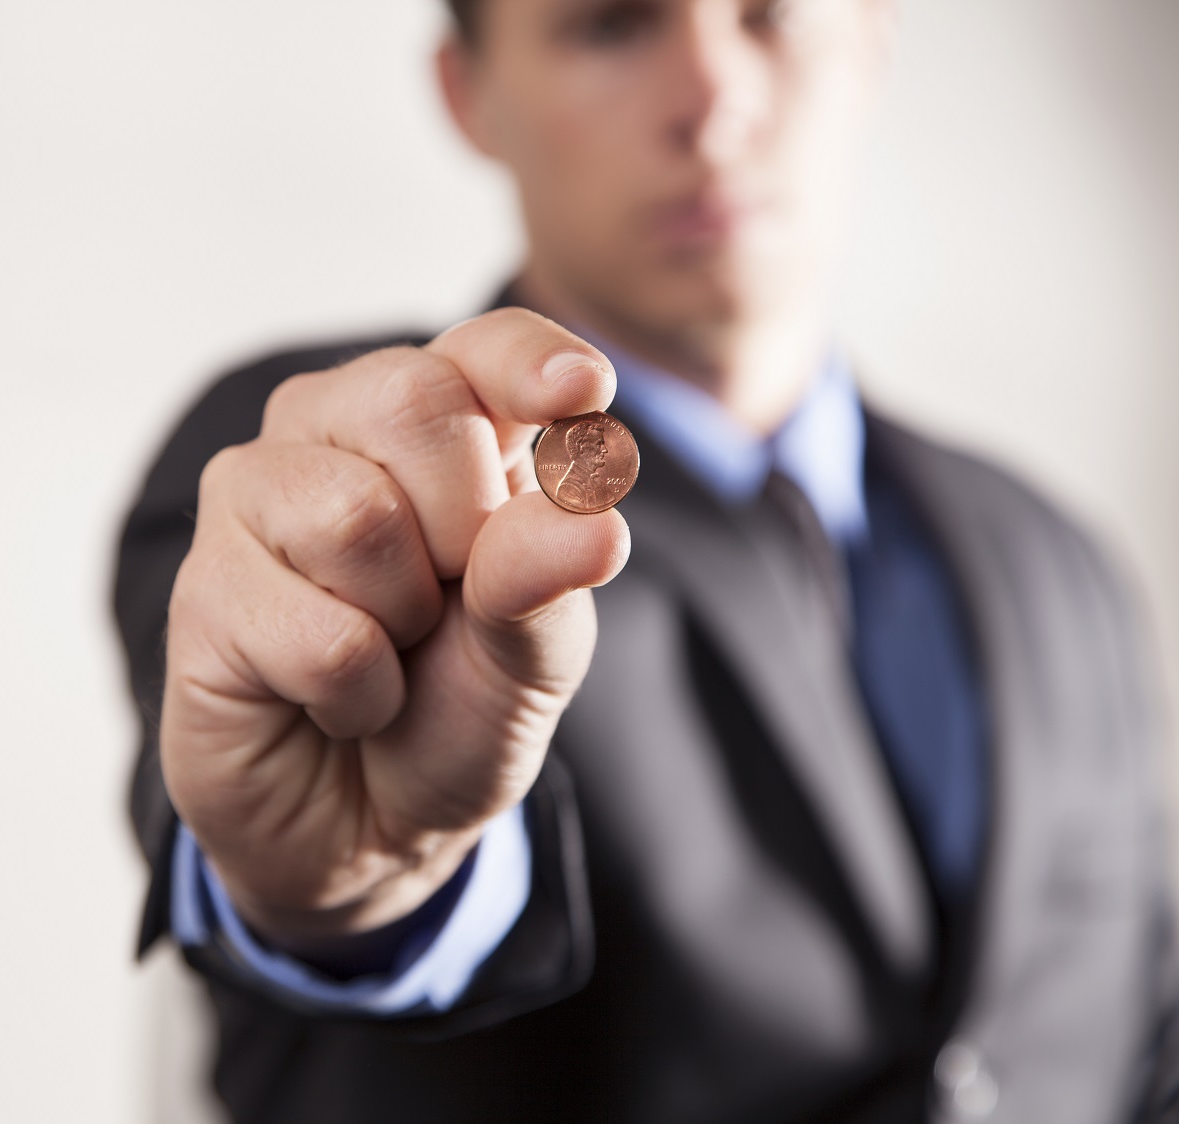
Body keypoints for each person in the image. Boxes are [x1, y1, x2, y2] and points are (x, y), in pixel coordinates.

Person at [112, 0, 1178, 1120]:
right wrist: (355, 889)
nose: (713, 100)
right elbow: (320, 914)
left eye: (771, 18)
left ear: (870, 43)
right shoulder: (329, 481)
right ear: (468, 98)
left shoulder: (1064, 564)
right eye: (610, 25)